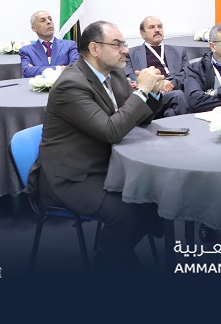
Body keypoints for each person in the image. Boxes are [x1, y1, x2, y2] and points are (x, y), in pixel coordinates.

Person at [27, 20, 166, 274]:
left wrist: (152, 93)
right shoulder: (71, 84)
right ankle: (108, 260)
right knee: (129, 214)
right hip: (70, 177)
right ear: (94, 48)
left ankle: (118, 251)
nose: (125, 50)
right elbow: (111, 131)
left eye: (124, 44)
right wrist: (141, 92)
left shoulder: (114, 74)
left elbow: (138, 118)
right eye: (117, 44)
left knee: (160, 196)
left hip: (105, 164)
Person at [123, 15, 188, 117]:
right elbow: (131, 76)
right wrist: (157, 85)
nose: (157, 30)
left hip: (172, 91)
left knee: (171, 112)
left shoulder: (179, 51)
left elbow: (187, 73)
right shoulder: (130, 54)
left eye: (159, 27)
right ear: (142, 33)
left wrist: (171, 83)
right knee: (178, 96)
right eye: (151, 27)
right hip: (150, 96)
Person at [19, 10, 79, 78]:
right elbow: (27, 72)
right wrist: (59, 68)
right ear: (34, 28)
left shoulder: (69, 45)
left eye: (50, 19)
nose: (48, 22)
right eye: (43, 20)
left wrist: (36, 69)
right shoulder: (26, 51)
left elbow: (76, 68)